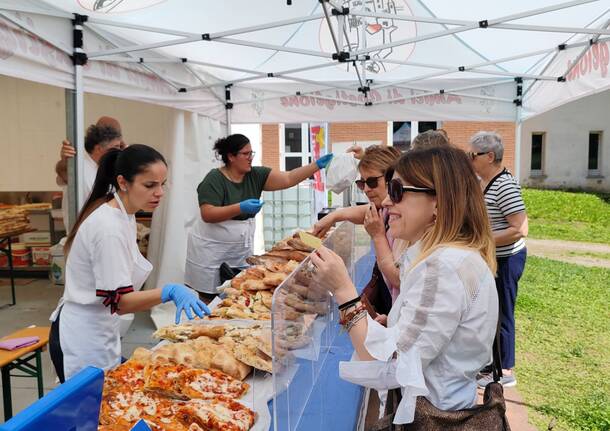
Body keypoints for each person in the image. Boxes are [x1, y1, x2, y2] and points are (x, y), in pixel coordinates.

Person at [310, 146, 499, 425]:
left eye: (397, 190)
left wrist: (344, 291)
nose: (386, 202)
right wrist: (393, 325)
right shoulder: (444, 257)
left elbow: (392, 367)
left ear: (438, 202)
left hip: (433, 418)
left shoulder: (442, 266)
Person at [49, 145, 209, 382]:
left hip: (100, 328)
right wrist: (167, 292)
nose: (159, 193)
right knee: (91, 413)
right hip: (82, 338)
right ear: (123, 182)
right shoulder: (108, 228)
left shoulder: (125, 214)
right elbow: (120, 302)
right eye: (149, 185)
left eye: (162, 184)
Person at [185, 133, 333, 301]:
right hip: (211, 250)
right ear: (231, 156)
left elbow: (288, 178)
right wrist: (240, 207)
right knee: (210, 295)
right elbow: (208, 213)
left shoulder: (256, 175)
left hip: (239, 247)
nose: (250, 158)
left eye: (251, 153)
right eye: (245, 154)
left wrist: (316, 165)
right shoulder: (214, 179)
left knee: (238, 289)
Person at [312, 145, 403, 319]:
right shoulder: (383, 208)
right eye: (362, 183)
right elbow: (365, 212)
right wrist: (335, 216)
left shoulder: (403, 220)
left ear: (392, 179)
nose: (366, 189)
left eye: (372, 182)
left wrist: (378, 236)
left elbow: (398, 278)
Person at [468, 131, 528, 388]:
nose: (470, 160)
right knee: (491, 312)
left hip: (507, 260)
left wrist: (483, 240)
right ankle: (492, 364)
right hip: (494, 259)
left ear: (489, 156)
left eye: (473, 155)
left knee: (503, 312)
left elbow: (519, 229)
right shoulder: (486, 182)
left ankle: (504, 370)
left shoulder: (504, 185)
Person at [57, 117, 124, 229]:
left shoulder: (108, 167)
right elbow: (62, 172)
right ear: (98, 148)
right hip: (83, 233)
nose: (119, 151)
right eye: (116, 147)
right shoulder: (78, 165)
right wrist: (65, 160)